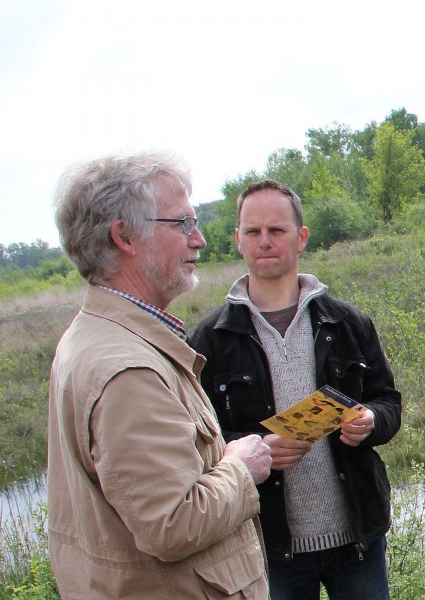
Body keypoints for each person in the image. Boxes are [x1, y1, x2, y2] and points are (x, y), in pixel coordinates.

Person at [46, 151, 272, 599]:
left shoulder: (100, 337)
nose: (200, 240)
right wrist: (240, 468)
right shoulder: (127, 368)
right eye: (183, 223)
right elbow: (171, 524)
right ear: (124, 236)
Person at [189, 179, 403, 600]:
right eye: (252, 232)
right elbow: (195, 440)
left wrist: (372, 420)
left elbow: (388, 401)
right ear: (237, 240)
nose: (264, 242)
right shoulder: (210, 340)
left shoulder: (346, 323)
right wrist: (253, 448)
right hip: (269, 545)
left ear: (301, 238)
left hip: (358, 537)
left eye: (277, 230)